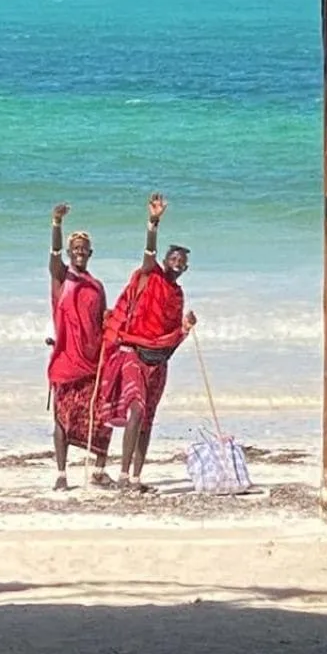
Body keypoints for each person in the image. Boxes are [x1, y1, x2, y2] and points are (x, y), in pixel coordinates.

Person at [100, 192, 196, 492]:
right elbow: (149, 252)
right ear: (165, 261)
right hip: (134, 354)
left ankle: (138, 478)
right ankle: (124, 476)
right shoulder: (149, 275)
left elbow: (170, 341)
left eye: (182, 261)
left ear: (185, 269)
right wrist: (153, 223)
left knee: (148, 420)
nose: (177, 263)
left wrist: (185, 329)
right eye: (173, 258)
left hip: (159, 363)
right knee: (137, 410)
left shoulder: (177, 296)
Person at [47, 202, 112, 491]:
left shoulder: (97, 286)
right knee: (62, 417)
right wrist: (57, 224)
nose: (80, 253)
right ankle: (62, 475)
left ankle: (99, 470)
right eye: (75, 249)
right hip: (66, 360)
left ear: (90, 253)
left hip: (93, 361)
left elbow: (103, 322)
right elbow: (54, 257)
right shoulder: (63, 277)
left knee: (102, 414)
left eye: (84, 249)